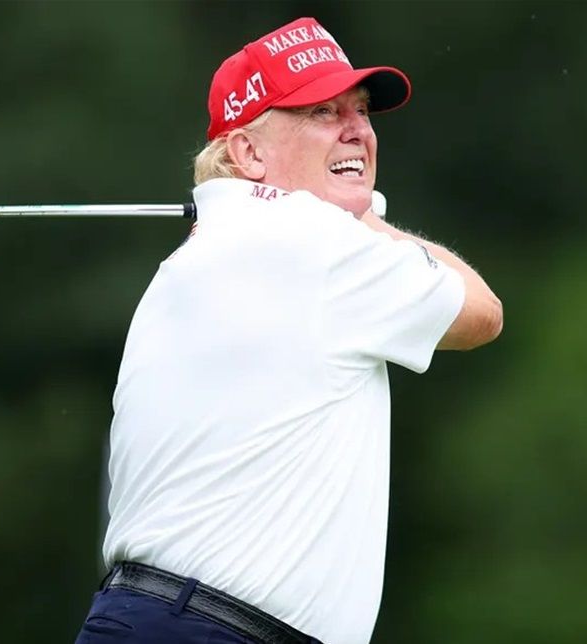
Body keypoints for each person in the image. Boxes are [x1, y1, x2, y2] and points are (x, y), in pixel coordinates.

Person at [74, 16, 502, 644]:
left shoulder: (199, 257)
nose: (357, 130)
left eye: (361, 110)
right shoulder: (313, 244)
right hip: (211, 630)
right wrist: (368, 218)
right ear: (248, 154)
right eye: (322, 112)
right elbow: (481, 313)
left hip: (158, 618)